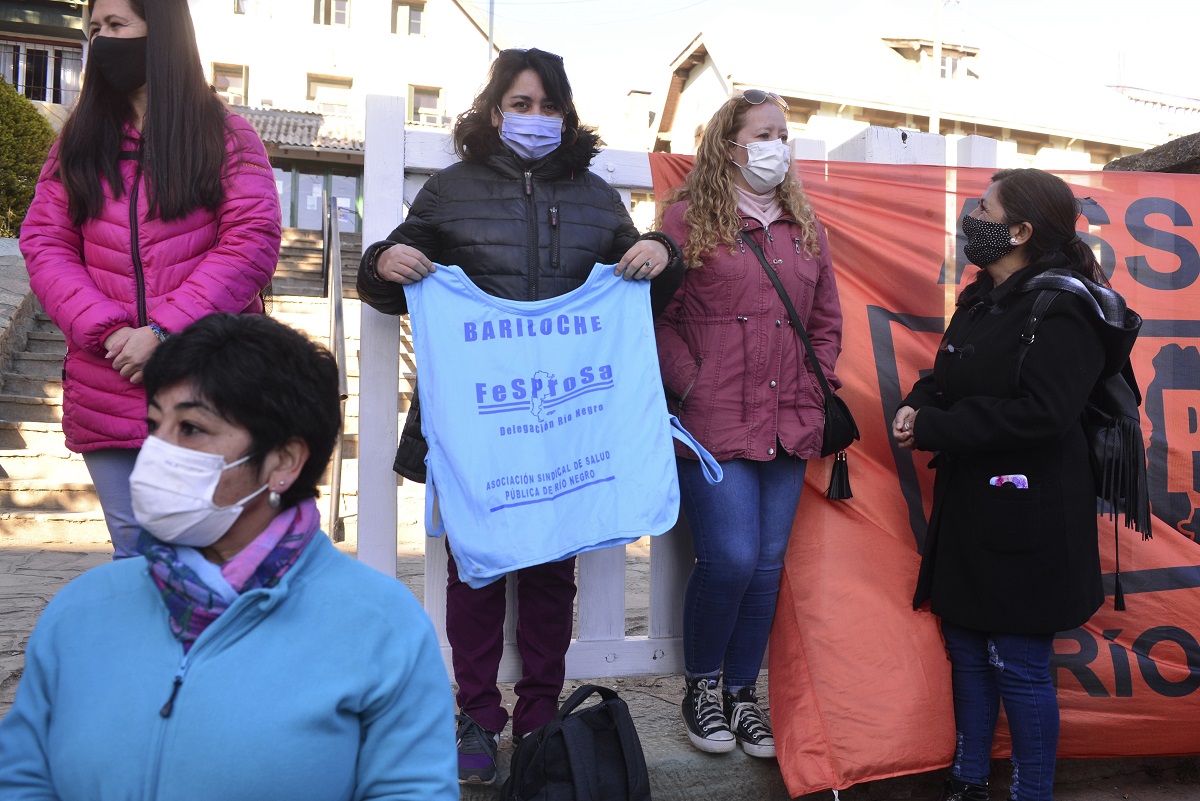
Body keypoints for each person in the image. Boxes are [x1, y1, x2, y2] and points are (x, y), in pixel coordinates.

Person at [357, 47, 684, 785]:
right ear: (494, 107)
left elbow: (642, 286)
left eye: (548, 106)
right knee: (475, 569)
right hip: (479, 426)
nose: (534, 119)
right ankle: (475, 712)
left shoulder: (597, 198)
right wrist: (383, 264)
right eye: (520, 103)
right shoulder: (451, 190)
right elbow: (388, 280)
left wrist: (662, 251)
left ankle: (539, 714)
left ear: (565, 115)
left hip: (567, 424)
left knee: (549, 578)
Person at [0, 313, 458, 800]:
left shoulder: (382, 627)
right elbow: (25, 777)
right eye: (156, 425)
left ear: (283, 461)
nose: (158, 452)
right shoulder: (81, 609)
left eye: (193, 429)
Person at [892, 169, 1140, 801]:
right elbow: (948, 374)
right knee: (969, 650)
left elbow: (1044, 414)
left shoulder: (1064, 307)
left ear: (1021, 231)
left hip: (1031, 518)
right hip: (972, 507)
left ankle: (1033, 793)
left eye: (984, 208)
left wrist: (936, 427)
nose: (971, 217)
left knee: (1021, 668)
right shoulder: (982, 297)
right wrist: (919, 405)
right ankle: (968, 783)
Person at [19, 0, 281, 559]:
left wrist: (163, 330)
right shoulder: (78, 143)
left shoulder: (226, 137)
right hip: (105, 382)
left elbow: (250, 243)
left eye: (117, 26)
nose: (102, 40)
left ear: (160, 33)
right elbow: (45, 243)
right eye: (95, 29)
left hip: (208, 387)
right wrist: (111, 333)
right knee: (138, 561)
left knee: (208, 560)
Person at [654, 91, 843, 759]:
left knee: (766, 567)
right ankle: (701, 689)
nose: (777, 146)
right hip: (714, 421)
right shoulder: (685, 221)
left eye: (783, 134)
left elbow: (825, 322)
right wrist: (691, 382)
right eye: (764, 133)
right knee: (730, 558)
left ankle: (742, 694)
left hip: (789, 419)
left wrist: (812, 392)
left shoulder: (803, 225)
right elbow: (658, 319)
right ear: (728, 145)